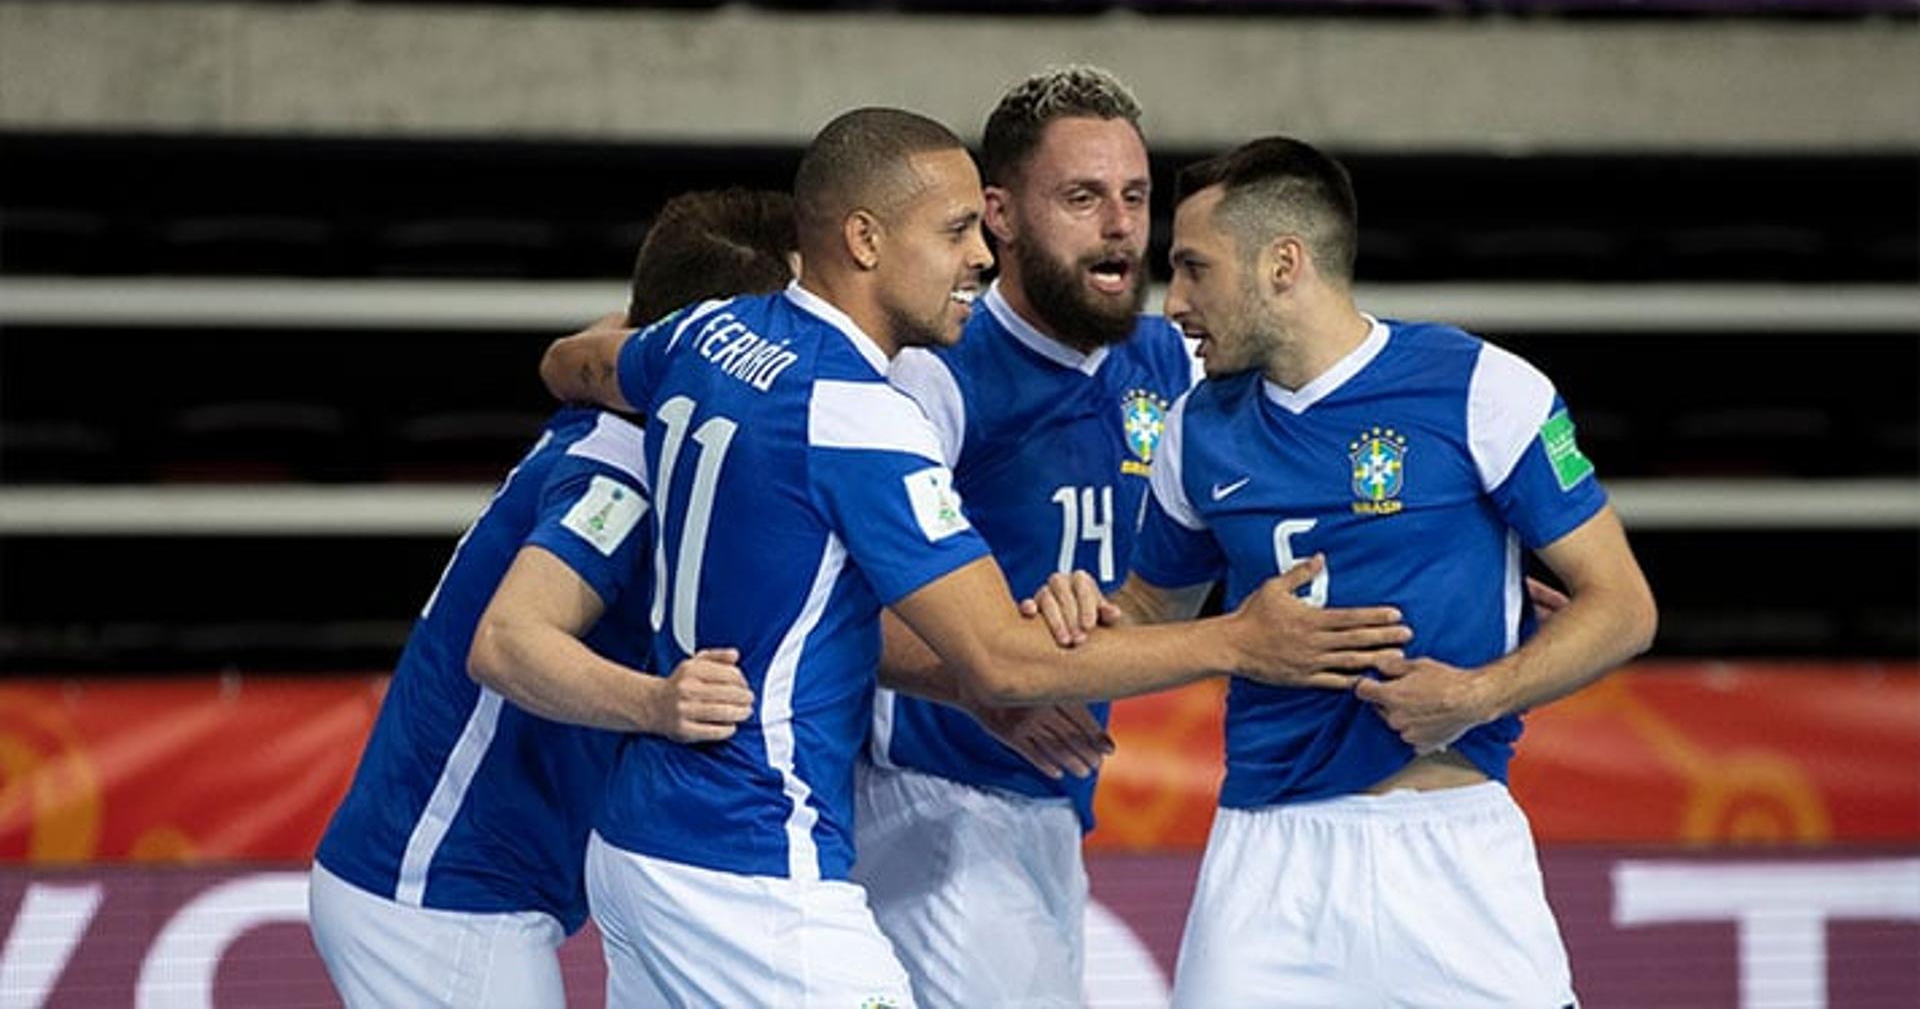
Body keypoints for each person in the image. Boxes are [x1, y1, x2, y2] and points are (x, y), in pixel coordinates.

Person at [534, 108, 1414, 1007]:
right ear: (866, 239)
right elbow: (996, 656)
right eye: (957, 230)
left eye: (1136, 196)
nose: (981, 256)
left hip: (644, 839)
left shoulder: (711, 334)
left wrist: (565, 368)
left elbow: (585, 365)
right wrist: (1241, 641)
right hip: (764, 845)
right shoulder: (864, 413)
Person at [1060, 137, 1658, 1006]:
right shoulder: (1195, 429)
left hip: (1452, 845)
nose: (1175, 302)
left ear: (1283, 264)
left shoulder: (1482, 387)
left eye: (1194, 268)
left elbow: (1625, 606)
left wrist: (1481, 693)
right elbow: (1155, 607)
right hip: (1269, 856)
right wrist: (1077, 619)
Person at [307, 187, 795, 1008]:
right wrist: (661, 701)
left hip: (451, 888)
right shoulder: (626, 470)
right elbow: (505, 643)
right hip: (444, 897)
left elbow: (608, 333)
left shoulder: (648, 410)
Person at [851, 66, 1198, 1008]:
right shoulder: (937, 373)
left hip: (1050, 799)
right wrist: (981, 684)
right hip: (929, 796)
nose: (1121, 224)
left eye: (1134, 195)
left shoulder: (1167, 361)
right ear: (998, 214)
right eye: (1082, 198)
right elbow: (838, 596)